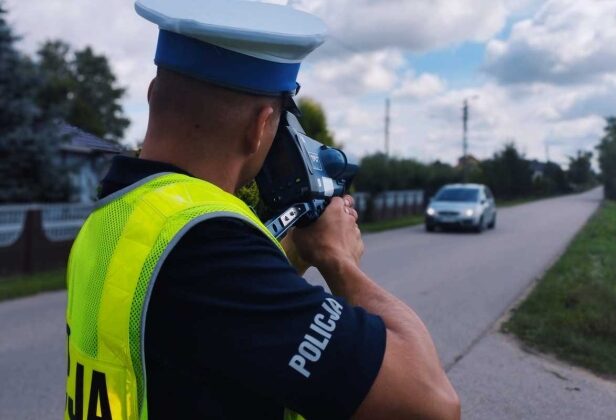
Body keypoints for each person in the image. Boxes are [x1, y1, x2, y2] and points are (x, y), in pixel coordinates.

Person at [64, 1, 460, 419]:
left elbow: (212, 336)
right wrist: (339, 260)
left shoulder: (115, 216)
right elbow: (431, 403)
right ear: (259, 127)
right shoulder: (208, 246)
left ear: (151, 95)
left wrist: (292, 255)